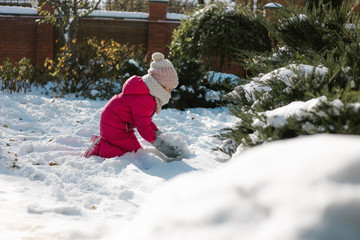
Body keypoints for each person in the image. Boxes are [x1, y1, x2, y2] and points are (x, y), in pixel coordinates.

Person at [83, 52, 183, 159]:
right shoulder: (145, 99)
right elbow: (143, 128)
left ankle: (105, 141)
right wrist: (159, 144)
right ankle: (100, 148)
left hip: (116, 124)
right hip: (115, 125)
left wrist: (157, 133)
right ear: (160, 86)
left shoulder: (146, 93)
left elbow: (145, 120)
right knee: (133, 154)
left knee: (134, 150)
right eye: (169, 89)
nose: (170, 93)